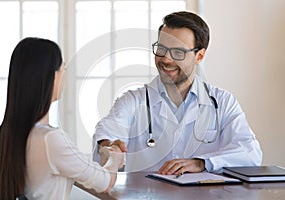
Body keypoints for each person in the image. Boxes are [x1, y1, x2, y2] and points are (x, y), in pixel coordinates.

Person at [93, 11, 262, 174]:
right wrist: (110, 147)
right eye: (161, 49)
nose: (166, 59)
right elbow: (108, 132)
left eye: (178, 52)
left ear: (200, 56)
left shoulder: (223, 102)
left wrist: (202, 163)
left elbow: (250, 153)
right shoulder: (133, 100)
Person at [0, 37, 124, 200]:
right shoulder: (50, 139)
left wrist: (105, 157)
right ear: (51, 76)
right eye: (63, 67)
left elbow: (82, 170)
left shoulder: (8, 131)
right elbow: (105, 183)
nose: (65, 73)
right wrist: (115, 157)